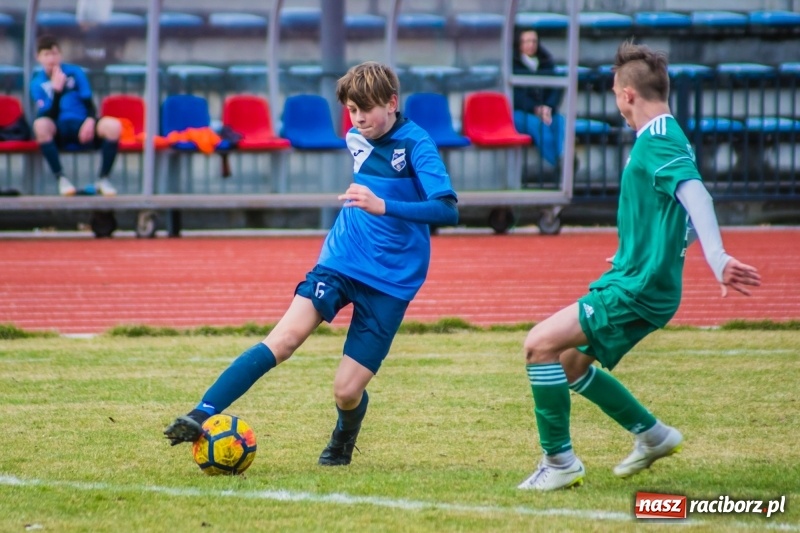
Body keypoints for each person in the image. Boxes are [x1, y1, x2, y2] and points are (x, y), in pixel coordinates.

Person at [163, 61, 459, 466]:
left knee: (346, 391)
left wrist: (383, 205)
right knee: (283, 340)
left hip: (393, 279)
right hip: (342, 259)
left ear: (392, 103)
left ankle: (342, 440)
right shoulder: (357, 135)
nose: (358, 120)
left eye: (366, 110)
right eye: (352, 111)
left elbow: (447, 210)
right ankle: (202, 412)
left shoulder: (417, 144)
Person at [517, 41, 762, 491]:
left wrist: (718, 257)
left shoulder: (658, 141)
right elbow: (670, 213)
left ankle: (560, 462)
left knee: (538, 346)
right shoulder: (666, 136)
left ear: (628, 94)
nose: (616, 103)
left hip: (639, 289)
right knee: (569, 364)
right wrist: (643, 250)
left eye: (615, 93)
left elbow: (696, 196)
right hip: (637, 277)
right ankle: (652, 435)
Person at [31, 34, 121, 196]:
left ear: (61, 55)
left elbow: (89, 103)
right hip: (58, 128)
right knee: (40, 125)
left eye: (55, 53)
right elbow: (49, 115)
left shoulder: (75, 73)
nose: (52, 58)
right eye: (47, 54)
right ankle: (61, 179)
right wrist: (56, 92)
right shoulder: (37, 83)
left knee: (113, 125)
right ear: (38, 57)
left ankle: (103, 179)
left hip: (82, 125)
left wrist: (90, 121)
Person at [512, 29, 565, 168]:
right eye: (526, 41)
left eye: (533, 41)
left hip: (546, 111)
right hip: (521, 112)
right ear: (519, 44)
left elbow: (556, 88)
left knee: (560, 122)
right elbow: (515, 96)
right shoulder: (512, 64)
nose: (531, 45)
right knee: (540, 128)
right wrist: (535, 109)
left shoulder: (546, 62)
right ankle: (559, 165)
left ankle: (563, 158)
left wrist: (548, 107)